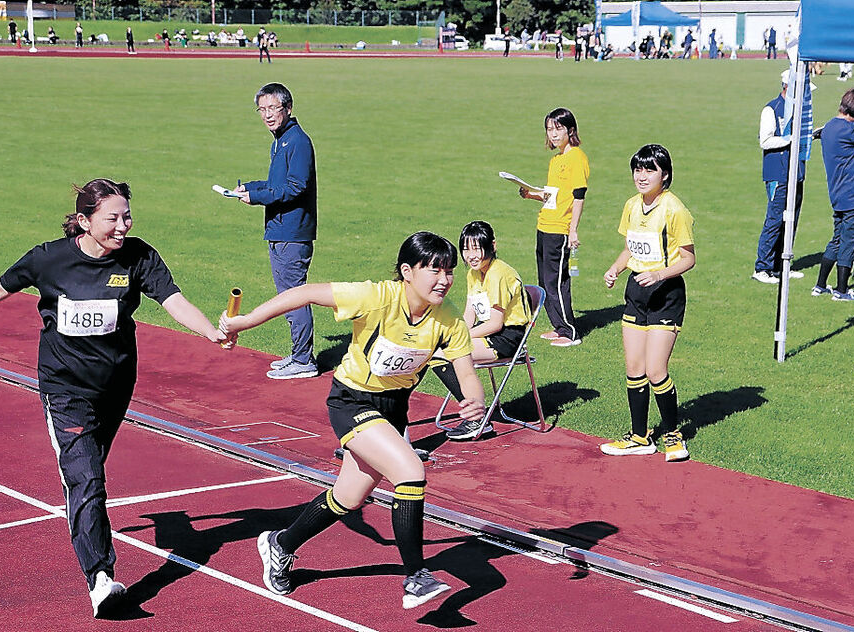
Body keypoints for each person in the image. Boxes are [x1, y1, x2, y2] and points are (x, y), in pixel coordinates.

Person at [0, 178, 226, 617]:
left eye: (127, 216)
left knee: (89, 469)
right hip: (65, 389)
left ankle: (94, 511)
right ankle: (100, 578)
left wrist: (210, 332)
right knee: (87, 478)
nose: (123, 225)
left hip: (117, 384)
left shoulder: (139, 255)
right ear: (84, 221)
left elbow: (173, 301)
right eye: (112, 218)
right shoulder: (50, 259)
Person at [218, 231, 486, 610]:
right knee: (410, 472)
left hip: (394, 408)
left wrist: (473, 400)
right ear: (407, 272)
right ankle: (415, 578)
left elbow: (466, 370)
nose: (444, 279)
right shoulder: (376, 297)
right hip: (351, 401)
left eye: (449, 271)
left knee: (350, 496)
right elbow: (304, 293)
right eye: (434, 270)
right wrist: (245, 321)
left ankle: (279, 544)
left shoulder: (448, 318)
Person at [600, 145, 695, 462]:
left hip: (665, 294)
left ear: (664, 174)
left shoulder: (674, 210)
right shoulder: (631, 205)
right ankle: (640, 437)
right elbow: (631, 248)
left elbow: (688, 259)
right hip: (636, 293)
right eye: (638, 170)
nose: (641, 176)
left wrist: (659, 275)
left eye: (649, 170)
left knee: (656, 370)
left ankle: (673, 434)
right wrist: (616, 268)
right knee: (634, 368)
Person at [231, 83, 317, 378]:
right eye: (262, 109)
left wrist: (256, 198)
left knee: (293, 296)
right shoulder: (280, 140)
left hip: (292, 232)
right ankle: (299, 354)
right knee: (288, 295)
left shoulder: (297, 141)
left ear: (288, 109)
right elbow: (277, 183)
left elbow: (295, 187)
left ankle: (304, 360)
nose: (267, 115)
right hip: (281, 229)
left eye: (273, 108)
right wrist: (250, 188)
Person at [433, 221, 531, 441]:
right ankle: (476, 415)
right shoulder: (473, 274)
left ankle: (477, 418)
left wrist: (460, 339)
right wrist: (456, 333)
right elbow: (470, 314)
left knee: (445, 355)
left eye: (477, 248)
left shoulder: (499, 274)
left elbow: (496, 324)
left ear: (492, 246)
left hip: (506, 337)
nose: (471, 255)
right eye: (466, 249)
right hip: (486, 332)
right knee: (437, 351)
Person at [519, 107, 588, 347]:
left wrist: (573, 229)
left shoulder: (576, 158)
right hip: (544, 225)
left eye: (558, 128)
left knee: (557, 281)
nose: (553, 134)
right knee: (545, 280)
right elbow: (554, 196)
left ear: (570, 130)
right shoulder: (556, 160)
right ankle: (559, 327)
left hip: (560, 229)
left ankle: (570, 333)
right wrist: (530, 195)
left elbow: (578, 196)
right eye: (549, 129)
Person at [753, 70, 807, 285]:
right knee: (774, 220)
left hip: (796, 173)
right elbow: (765, 141)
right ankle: (762, 267)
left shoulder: (801, 111)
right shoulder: (771, 109)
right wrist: (789, 139)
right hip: (778, 173)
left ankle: (781, 265)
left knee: (791, 220)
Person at [812, 88, 854, 301]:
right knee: (849, 241)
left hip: (837, 193)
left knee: (837, 239)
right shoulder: (849, 131)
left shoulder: (830, 126)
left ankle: (821, 284)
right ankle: (841, 290)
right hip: (852, 195)